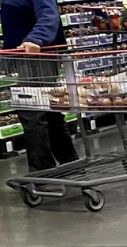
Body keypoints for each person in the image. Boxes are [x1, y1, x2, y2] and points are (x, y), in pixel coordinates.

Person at [1, 0, 77, 172]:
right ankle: (70, 163)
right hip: (22, 56)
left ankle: (42, 171)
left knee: (31, 112)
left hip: (37, 56)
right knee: (49, 113)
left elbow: (49, 13)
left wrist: (36, 38)